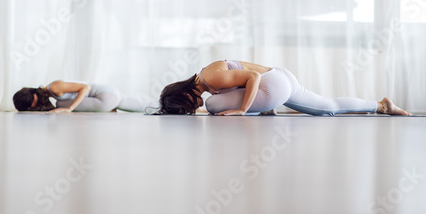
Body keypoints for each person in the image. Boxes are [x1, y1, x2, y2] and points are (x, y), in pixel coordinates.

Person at [158, 60, 412, 116]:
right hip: (281, 78)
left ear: (186, 93)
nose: (194, 107)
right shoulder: (208, 78)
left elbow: (252, 79)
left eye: (188, 105)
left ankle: (261, 109)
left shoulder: (210, 78)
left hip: (271, 84)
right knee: (328, 108)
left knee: (215, 107)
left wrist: (243, 109)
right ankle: (381, 105)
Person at [13, 81, 156, 113]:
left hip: (105, 96)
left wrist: (70, 108)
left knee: (60, 106)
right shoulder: (51, 93)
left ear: (33, 94)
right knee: (141, 106)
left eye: (33, 104)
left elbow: (85, 87)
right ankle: (161, 105)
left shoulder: (53, 87)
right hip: (112, 95)